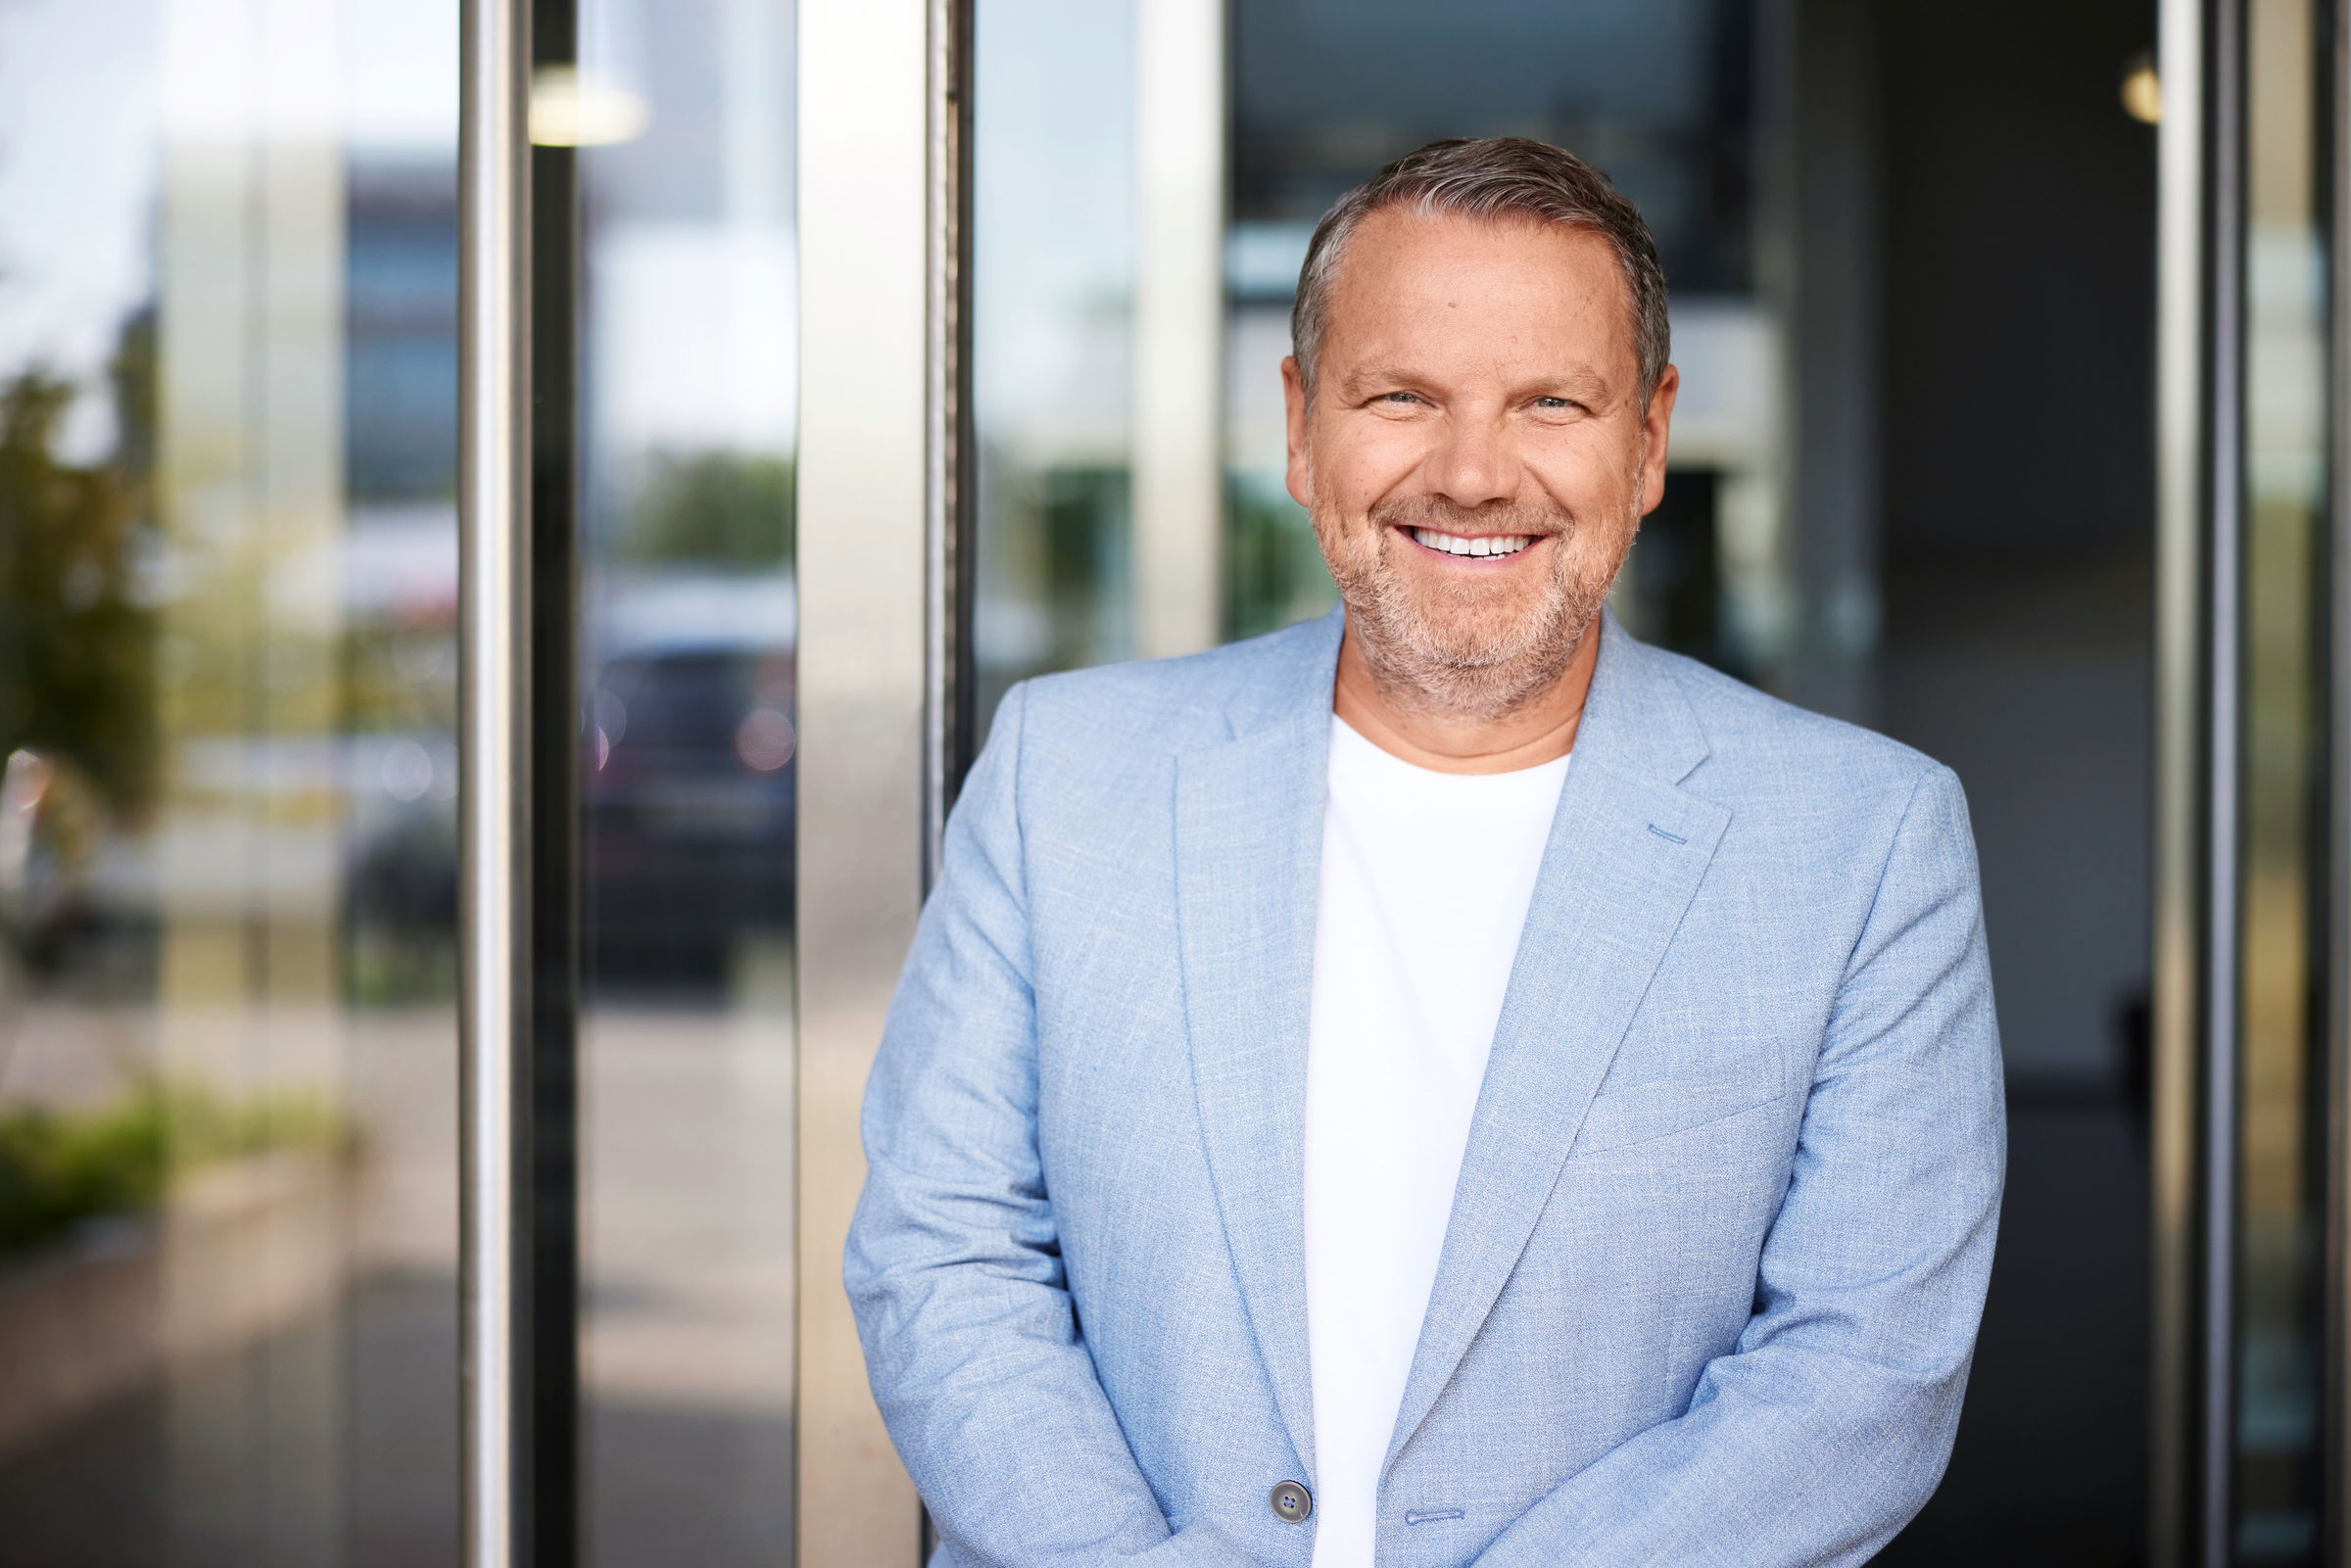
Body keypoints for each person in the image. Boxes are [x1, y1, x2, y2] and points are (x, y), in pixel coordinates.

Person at [846, 135, 2003, 1568]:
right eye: (1401, 395)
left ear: (1648, 440)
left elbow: (1857, 1378)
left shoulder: (1866, 845)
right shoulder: (1060, 775)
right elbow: (941, 1257)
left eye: (1551, 402)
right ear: (1299, 424)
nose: (1470, 471)